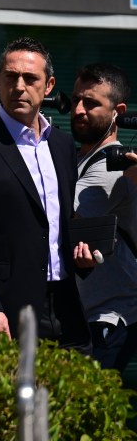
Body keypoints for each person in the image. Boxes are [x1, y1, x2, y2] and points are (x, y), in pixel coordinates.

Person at [0, 37, 92, 348]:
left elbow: (61, 219)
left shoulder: (63, 145)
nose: (19, 86)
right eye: (11, 77)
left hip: (66, 303)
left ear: (49, 85)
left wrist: (84, 253)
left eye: (30, 78)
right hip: (6, 308)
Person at [71, 63, 137, 370]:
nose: (79, 110)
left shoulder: (113, 167)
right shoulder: (80, 159)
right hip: (85, 313)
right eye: (75, 101)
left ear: (118, 112)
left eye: (92, 103)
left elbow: (53, 215)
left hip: (109, 318)